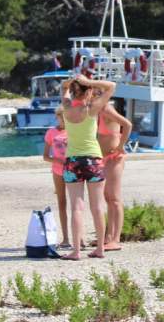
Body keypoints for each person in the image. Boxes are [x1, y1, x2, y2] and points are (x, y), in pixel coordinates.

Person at [60, 74, 115, 260]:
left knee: (76, 207)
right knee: (97, 206)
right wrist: (89, 82)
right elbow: (111, 86)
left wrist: (71, 82)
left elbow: (63, 88)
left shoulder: (66, 108)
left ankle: (76, 251)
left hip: (72, 160)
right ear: (89, 91)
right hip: (92, 159)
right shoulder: (91, 109)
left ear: (73, 91)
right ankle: (100, 248)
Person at [98, 100, 133, 251]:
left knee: (114, 198)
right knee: (107, 198)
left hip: (114, 158)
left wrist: (120, 146)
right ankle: (108, 236)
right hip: (103, 158)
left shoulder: (106, 108)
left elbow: (127, 124)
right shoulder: (96, 110)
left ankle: (116, 239)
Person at [43, 108, 70, 248]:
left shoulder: (74, 130)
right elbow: (45, 156)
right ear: (57, 117)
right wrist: (57, 161)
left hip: (73, 170)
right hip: (58, 171)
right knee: (62, 203)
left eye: (66, 117)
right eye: (61, 117)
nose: (64, 120)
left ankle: (80, 238)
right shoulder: (51, 132)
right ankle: (66, 237)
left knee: (77, 204)